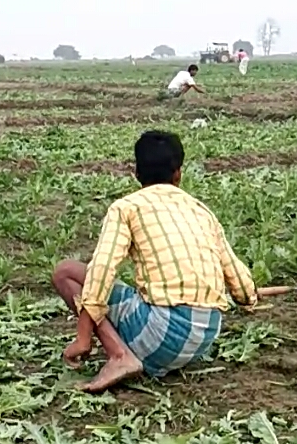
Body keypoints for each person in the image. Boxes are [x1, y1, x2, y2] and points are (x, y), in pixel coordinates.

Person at [52, 131, 258, 393]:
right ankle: (131, 352)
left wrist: (83, 336)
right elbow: (240, 285)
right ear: (178, 174)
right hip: (203, 338)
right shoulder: (201, 210)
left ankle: (119, 356)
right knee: (135, 291)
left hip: (161, 337)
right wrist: (249, 298)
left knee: (66, 272)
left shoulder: (126, 207)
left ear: (136, 173)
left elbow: (102, 268)